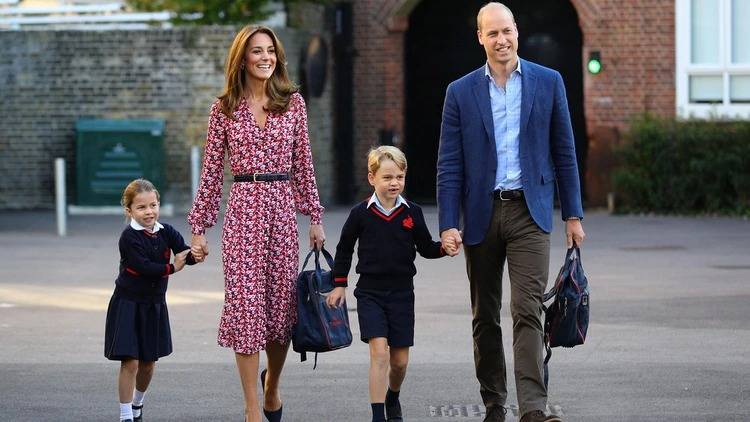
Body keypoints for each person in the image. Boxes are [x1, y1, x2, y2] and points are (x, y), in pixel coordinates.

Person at [436, 3, 586, 422]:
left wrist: (572, 214)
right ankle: (494, 403)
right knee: (485, 315)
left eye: (507, 31)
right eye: (492, 33)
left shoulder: (548, 82)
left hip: (530, 212)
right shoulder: (460, 92)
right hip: (481, 214)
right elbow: (449, 164)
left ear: (516, 31)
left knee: (528, 309)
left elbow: (565, 152)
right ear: (480, 38)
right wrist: (449, 223)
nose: (501, 40)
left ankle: (534, 409)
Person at [187, 25, 326, 422]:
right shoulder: (224, 109)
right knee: (247, 309)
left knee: (280, 313)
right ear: (242, 59)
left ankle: (273, 387)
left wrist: (314, 217)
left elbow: (304, 165)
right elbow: (212, 173)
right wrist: (199, 226)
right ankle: (251, 408)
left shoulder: (293, 104)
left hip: (282, 209)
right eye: (256, 52)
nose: (265, 57)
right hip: (244, 210)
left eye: (270, 51)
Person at [327, 146, 455, 422]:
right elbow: (345, 248)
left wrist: (444, 248)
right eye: (387, 177)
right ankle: (377, 416)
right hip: (369, 293)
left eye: (399, 176)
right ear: (372, 178)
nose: (394, 182)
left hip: (401, 294)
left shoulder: (413, 213)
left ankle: (392, 396)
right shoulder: (361, 213)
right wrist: (339, 284)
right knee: (379, 353)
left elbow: (426, 247)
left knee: (399, 362)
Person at [104, 178, 197, 422]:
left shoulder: (166, 232)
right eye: (142, 207)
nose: (149, 212)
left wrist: (196, 253)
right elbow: (142, 267)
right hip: (128, 303)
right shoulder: (129, 237)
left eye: (153, 205)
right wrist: (172, 268)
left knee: (148, 363)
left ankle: (137, 405)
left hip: (154, 304)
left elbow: (184, 252)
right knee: (130, 361)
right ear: (129, 211)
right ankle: (125, 416)